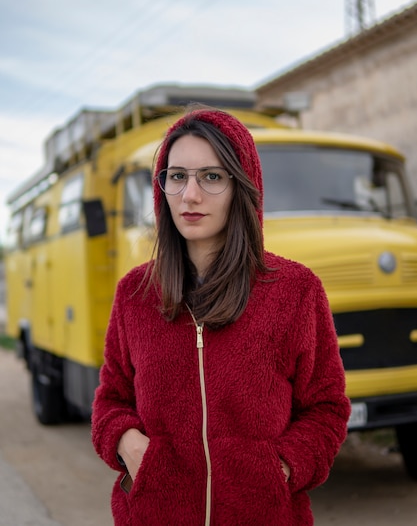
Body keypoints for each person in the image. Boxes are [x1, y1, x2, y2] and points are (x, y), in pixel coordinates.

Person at [91, 105, 351, 526]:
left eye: (211, 177)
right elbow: (111, 399)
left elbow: (326, 408)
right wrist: (128, 443)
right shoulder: (135, 295)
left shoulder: (295, 291)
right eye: (177, 177)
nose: (190, 195)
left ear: (240, 186)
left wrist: (279, 470)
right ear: (162, 189)